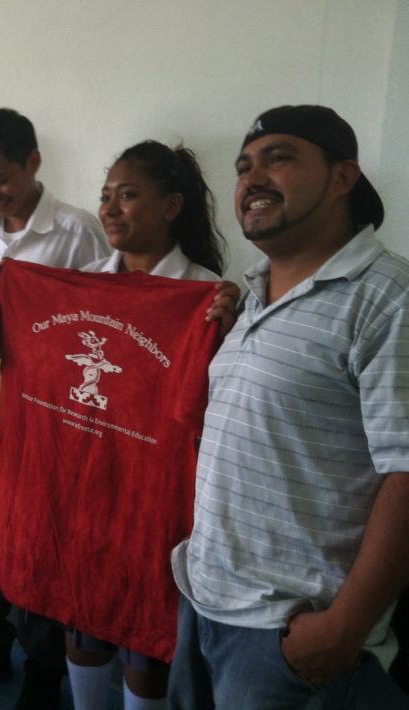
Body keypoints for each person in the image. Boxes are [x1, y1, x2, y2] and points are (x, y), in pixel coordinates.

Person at [168, 105, 409, 709]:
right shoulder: (251, 293)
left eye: (279, 159)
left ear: (342, 178)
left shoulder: (386, 298)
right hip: (205, 602)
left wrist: (344, 628)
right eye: (244, 166)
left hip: (291, 634)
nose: (252, 180)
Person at [0, 107, 111, 709]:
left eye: (1, 179)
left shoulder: (77, 230)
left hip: (51, 412)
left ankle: (42, 668)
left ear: (34, 162)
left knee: (37, 539)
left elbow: (98, 323)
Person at [64, 140, 229, 710]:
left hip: (161, 493)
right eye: (106, 196)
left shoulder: (207, 293)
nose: (110, 208)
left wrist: (227, 331)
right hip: (89, 476)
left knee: (148, 637)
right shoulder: (83, 282)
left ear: (171, 205)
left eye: (128, 195)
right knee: (83, 614)